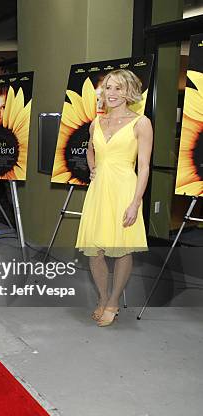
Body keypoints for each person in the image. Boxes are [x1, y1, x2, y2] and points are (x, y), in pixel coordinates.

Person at [75, 69, 153, 327]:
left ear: (129, 91)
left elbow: (143, 167)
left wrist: (135, 202)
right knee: (94, 251)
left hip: (124, 190)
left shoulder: (141, 123)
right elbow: (89, 149)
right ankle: (103, 297)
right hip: (99, 191)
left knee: (121, 249)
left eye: (119, 88)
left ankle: (114, 301)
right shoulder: (96, 123)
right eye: (108, 88)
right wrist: (93, 167)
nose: (112, 93)